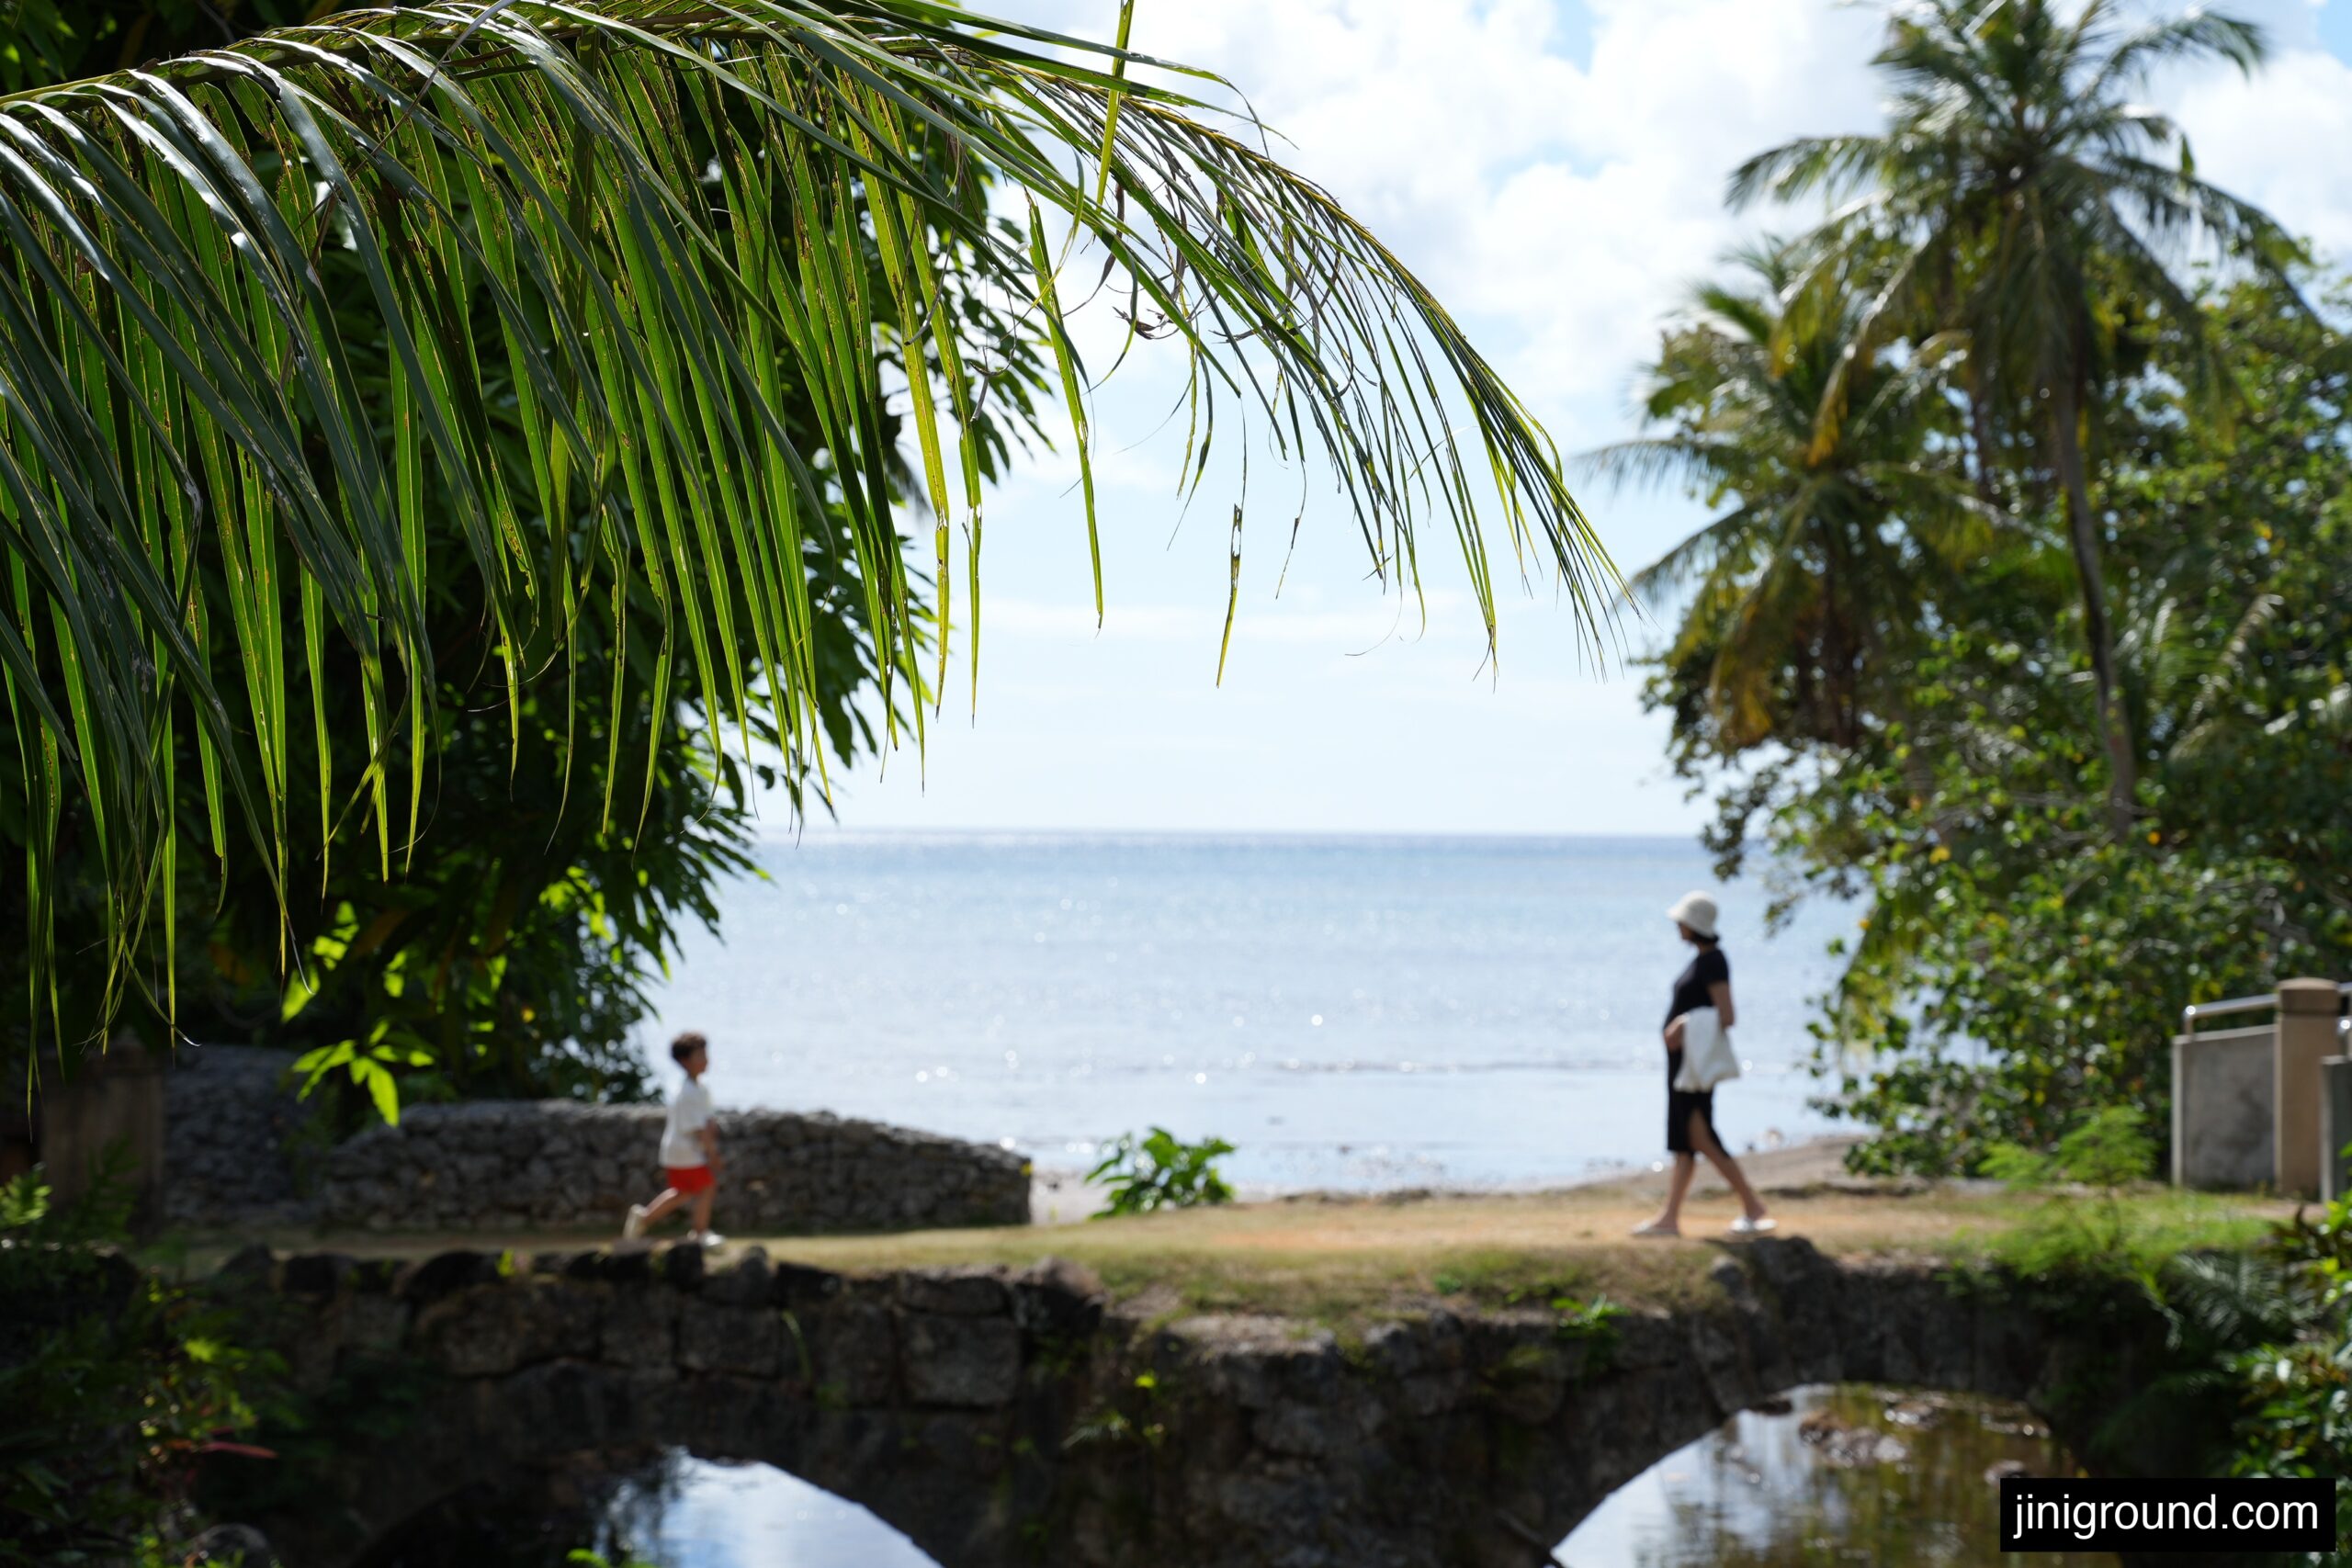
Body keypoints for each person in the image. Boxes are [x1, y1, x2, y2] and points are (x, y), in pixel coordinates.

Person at [1633, 892, 1773, 1238]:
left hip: (1694, 1068)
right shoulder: (1702, 960)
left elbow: (1726, 1016)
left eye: (1682, 921)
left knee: (1701, 1138)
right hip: (1684, 1066)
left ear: (1694, 925)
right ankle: (1669, 1219)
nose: (1677, 927)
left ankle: (1753, 1206)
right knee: (1686, 1143)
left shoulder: (1714, 962)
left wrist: (1684, 1024)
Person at [624, 1032, 725, 1246]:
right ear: (684, 1061)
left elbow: (706, 1121)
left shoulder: (696, 1088)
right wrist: (713, 1155)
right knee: (707, 1187)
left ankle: (644, 1218)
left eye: (705, 1054)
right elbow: (700, 1130)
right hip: (685, 1152)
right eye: (700, 1055)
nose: (706, 1060)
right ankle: (700, 1233)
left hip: (678, 1151)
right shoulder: (690, 1092)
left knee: (683, 1192)